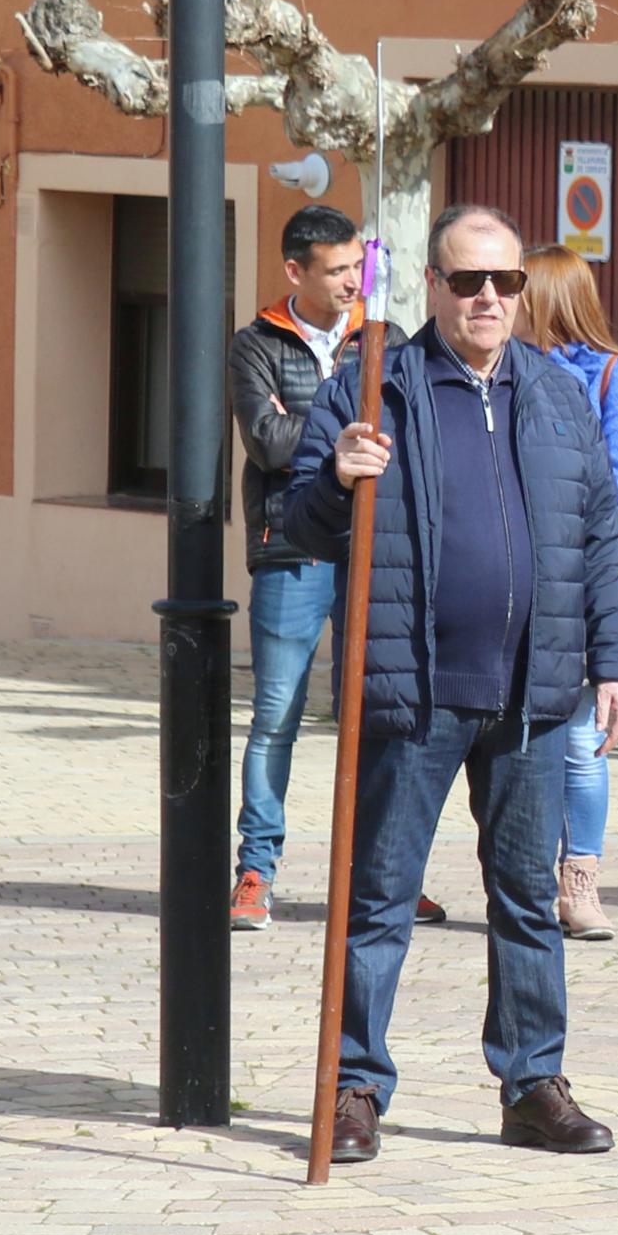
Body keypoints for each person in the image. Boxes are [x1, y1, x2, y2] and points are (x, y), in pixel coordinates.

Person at [284, 204, 618, 1166]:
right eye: (468, 280)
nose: (489, 298)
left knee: (527, 895)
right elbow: (297, 521)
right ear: (432, 287)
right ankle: (353, 1087)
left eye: (506, 282)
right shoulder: (376, 387)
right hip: (413, 685)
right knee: (379, 895)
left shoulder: (559, 395)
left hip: (534, 692)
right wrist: (334, 480)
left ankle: (532, 1085)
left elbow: (599, 540)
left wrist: (614, 660)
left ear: (524, 291)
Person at [227, 204, 367, 930]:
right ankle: (256, 870)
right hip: (290, 545)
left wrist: (305, 420)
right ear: (296, 271)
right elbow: (266, 442)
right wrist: (342, 431)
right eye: (336, 269)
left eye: (356, 265)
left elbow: (396, 428)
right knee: (276, 715)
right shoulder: (254, 343)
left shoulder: (383, 338)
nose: (352, 281)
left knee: (373, 715)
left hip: (375, 550)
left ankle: (380, 873)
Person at [518, 246, 618, 947]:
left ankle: (580, 882)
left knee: (578, 738)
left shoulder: (609, 373)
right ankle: (521, 875)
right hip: (513, 583)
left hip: (574, 582)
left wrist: (570, 548)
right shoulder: (506, 371)